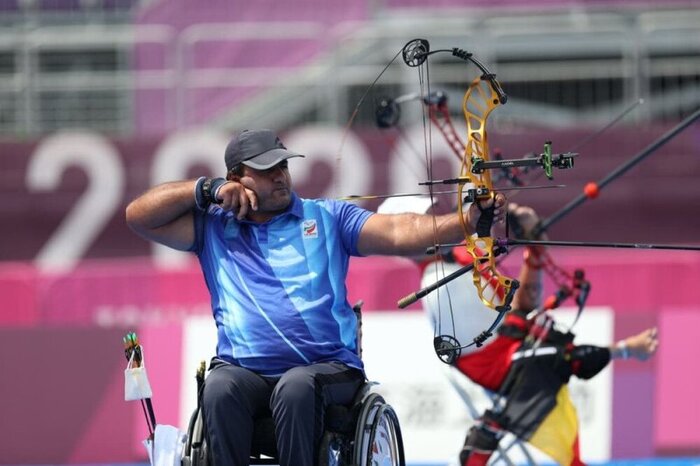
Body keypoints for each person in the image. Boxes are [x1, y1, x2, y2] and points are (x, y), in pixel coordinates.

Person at [125, 128, 507, 466]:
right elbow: (138, 216)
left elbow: (397, 230)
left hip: (327, 369)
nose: (280, 175)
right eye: (266, 169)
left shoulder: (327, 217)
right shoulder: (212, 227)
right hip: (242, 371)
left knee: (295, 387)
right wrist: (204, 190)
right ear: (236, 179)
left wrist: (467, 220)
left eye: (283, 166)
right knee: (219, 388)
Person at [419, 203, 659, 466]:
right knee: (562, 357)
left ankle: (534, 249)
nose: (441, 218)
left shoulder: (459, 262)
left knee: (548, 345)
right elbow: (509, 319)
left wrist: (529, 242)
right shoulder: (437, 278)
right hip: (495, 364)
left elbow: (519, 308)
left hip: (508, 345)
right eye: (431, 216)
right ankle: (628, 349)